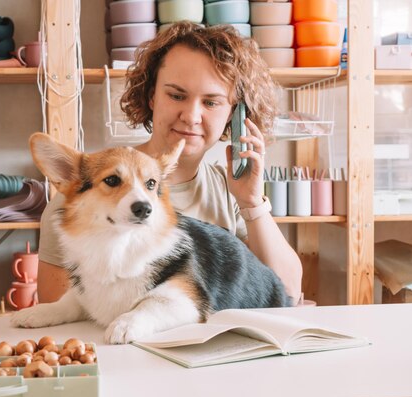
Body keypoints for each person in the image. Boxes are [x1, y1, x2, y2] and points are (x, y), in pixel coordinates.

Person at [37, 21, 303, 305]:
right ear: (151, 96)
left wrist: (252, 203)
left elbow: (287, 291)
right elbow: (66, 319)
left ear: (233, 114)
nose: (191, 116)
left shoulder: (229, 190)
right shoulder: (86, 192)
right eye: (176, 95)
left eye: (211, 103)